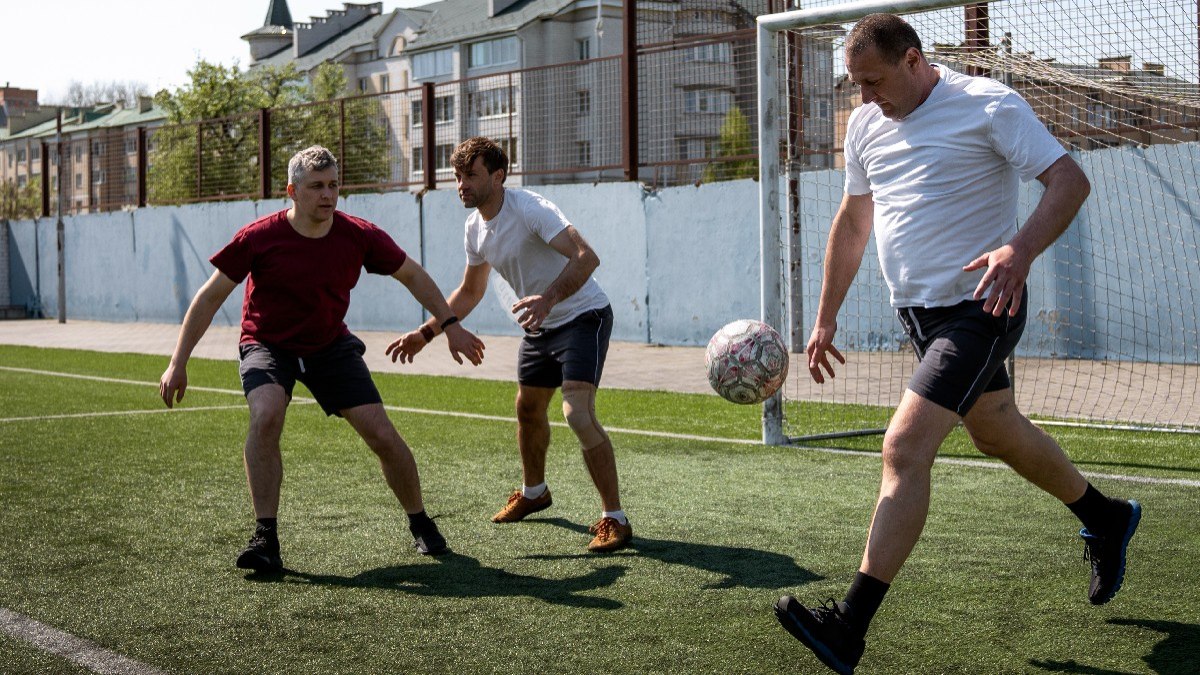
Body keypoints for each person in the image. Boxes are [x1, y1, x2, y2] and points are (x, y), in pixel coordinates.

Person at [773, 14, 1141, 674]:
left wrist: (1020, 251)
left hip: (984, 306)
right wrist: (824, 314)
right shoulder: (865, 126)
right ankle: (1105, 515)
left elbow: (1069, 181)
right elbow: (855, 220)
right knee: (996, 428)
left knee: (905, 446)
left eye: (874, 81)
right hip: (920, 317)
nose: (864, 99)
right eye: (855, 85)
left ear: (914, 61)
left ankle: (849, 627)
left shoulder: (987, 104)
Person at [159, 145, 485, 571]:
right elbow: (210, 296)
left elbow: (412, 275)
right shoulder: (259, 237)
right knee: (266, 414)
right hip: (268, 345)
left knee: (382, 435)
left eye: (333, 185)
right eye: (316, 187)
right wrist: (177, 361)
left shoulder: (359, 234)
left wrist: (450, 324)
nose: (327, 194)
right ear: (292, 191)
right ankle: (266, 537)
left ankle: (420, 521)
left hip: (330, 346)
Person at [386, 136, 632, 552]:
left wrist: (550, 298)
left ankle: (615, 518)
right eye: (458, 176)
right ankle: (534, 491)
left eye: (471, 175)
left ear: (498, 176)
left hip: (582, 316)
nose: (461, 184)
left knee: (577, 413)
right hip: (540, 327)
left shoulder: (531, 209)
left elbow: (586, 257)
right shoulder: (474, 228)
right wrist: (426, 333)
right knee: (527, 408)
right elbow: (470, 291)